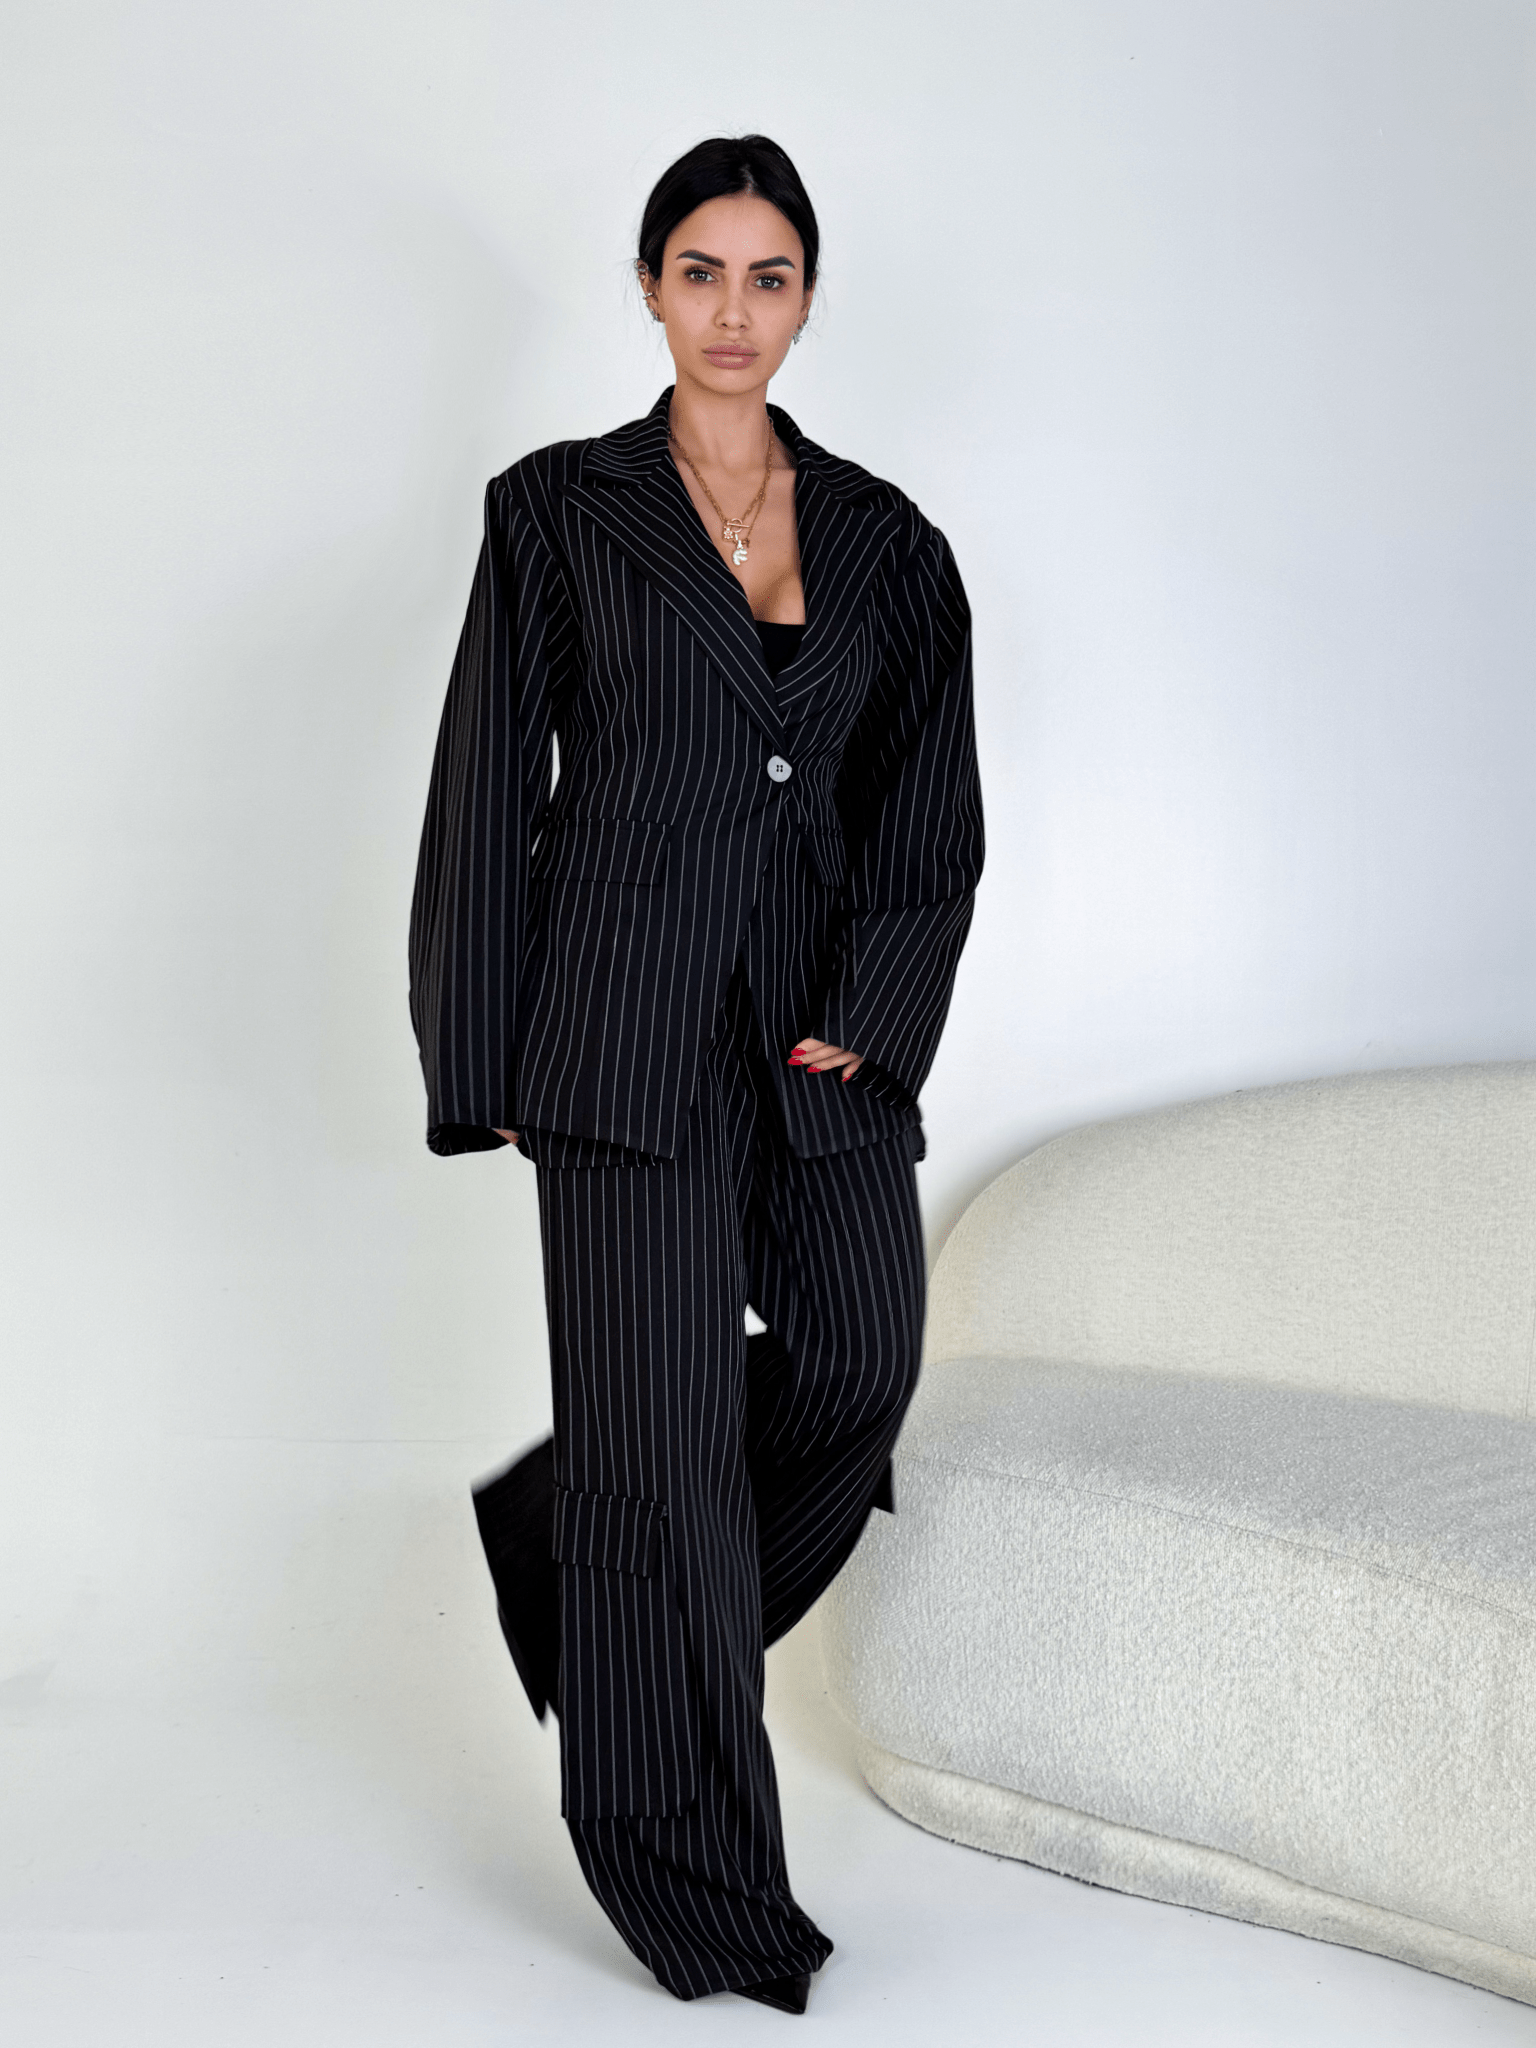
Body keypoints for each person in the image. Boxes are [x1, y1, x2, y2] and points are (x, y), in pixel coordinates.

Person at [408, 133, 983, 2014]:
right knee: (659, 1468)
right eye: (701, 271)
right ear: (652, 288)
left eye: (770, 276)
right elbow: (491, 784)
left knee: (859, 1365)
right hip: (618, 1032)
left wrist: (879, 1010)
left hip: (819, 1036)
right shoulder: (557, 511)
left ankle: (558, 1540)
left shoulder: (891, 541)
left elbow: (928, 814)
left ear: (808, 298)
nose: (735, 311)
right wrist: (482, 1044)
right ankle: (695, 1882)